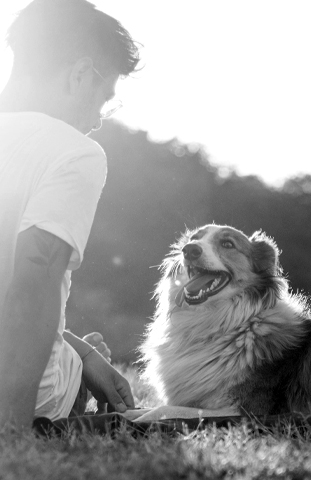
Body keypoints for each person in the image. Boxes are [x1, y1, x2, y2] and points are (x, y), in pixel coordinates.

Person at [0, 0, 141, 430]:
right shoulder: (73, 151)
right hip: (33, 401)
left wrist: (78, 349)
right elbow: (34, 277)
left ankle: (71, 354)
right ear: (80, 74)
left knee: (75, 346)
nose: (99, 119)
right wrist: (12, 429)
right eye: (104, 98)